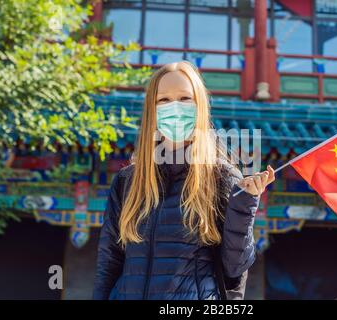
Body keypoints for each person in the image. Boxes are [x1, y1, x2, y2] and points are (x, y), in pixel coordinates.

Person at [93, 60, 274, 300]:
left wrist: (243, 206)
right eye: (164, 100)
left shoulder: (223, 177)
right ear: (152, 110)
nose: (174, 107)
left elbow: (234, 272)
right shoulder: (128, 181)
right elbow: (110, 262)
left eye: (185, 99)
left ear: (200, 107)